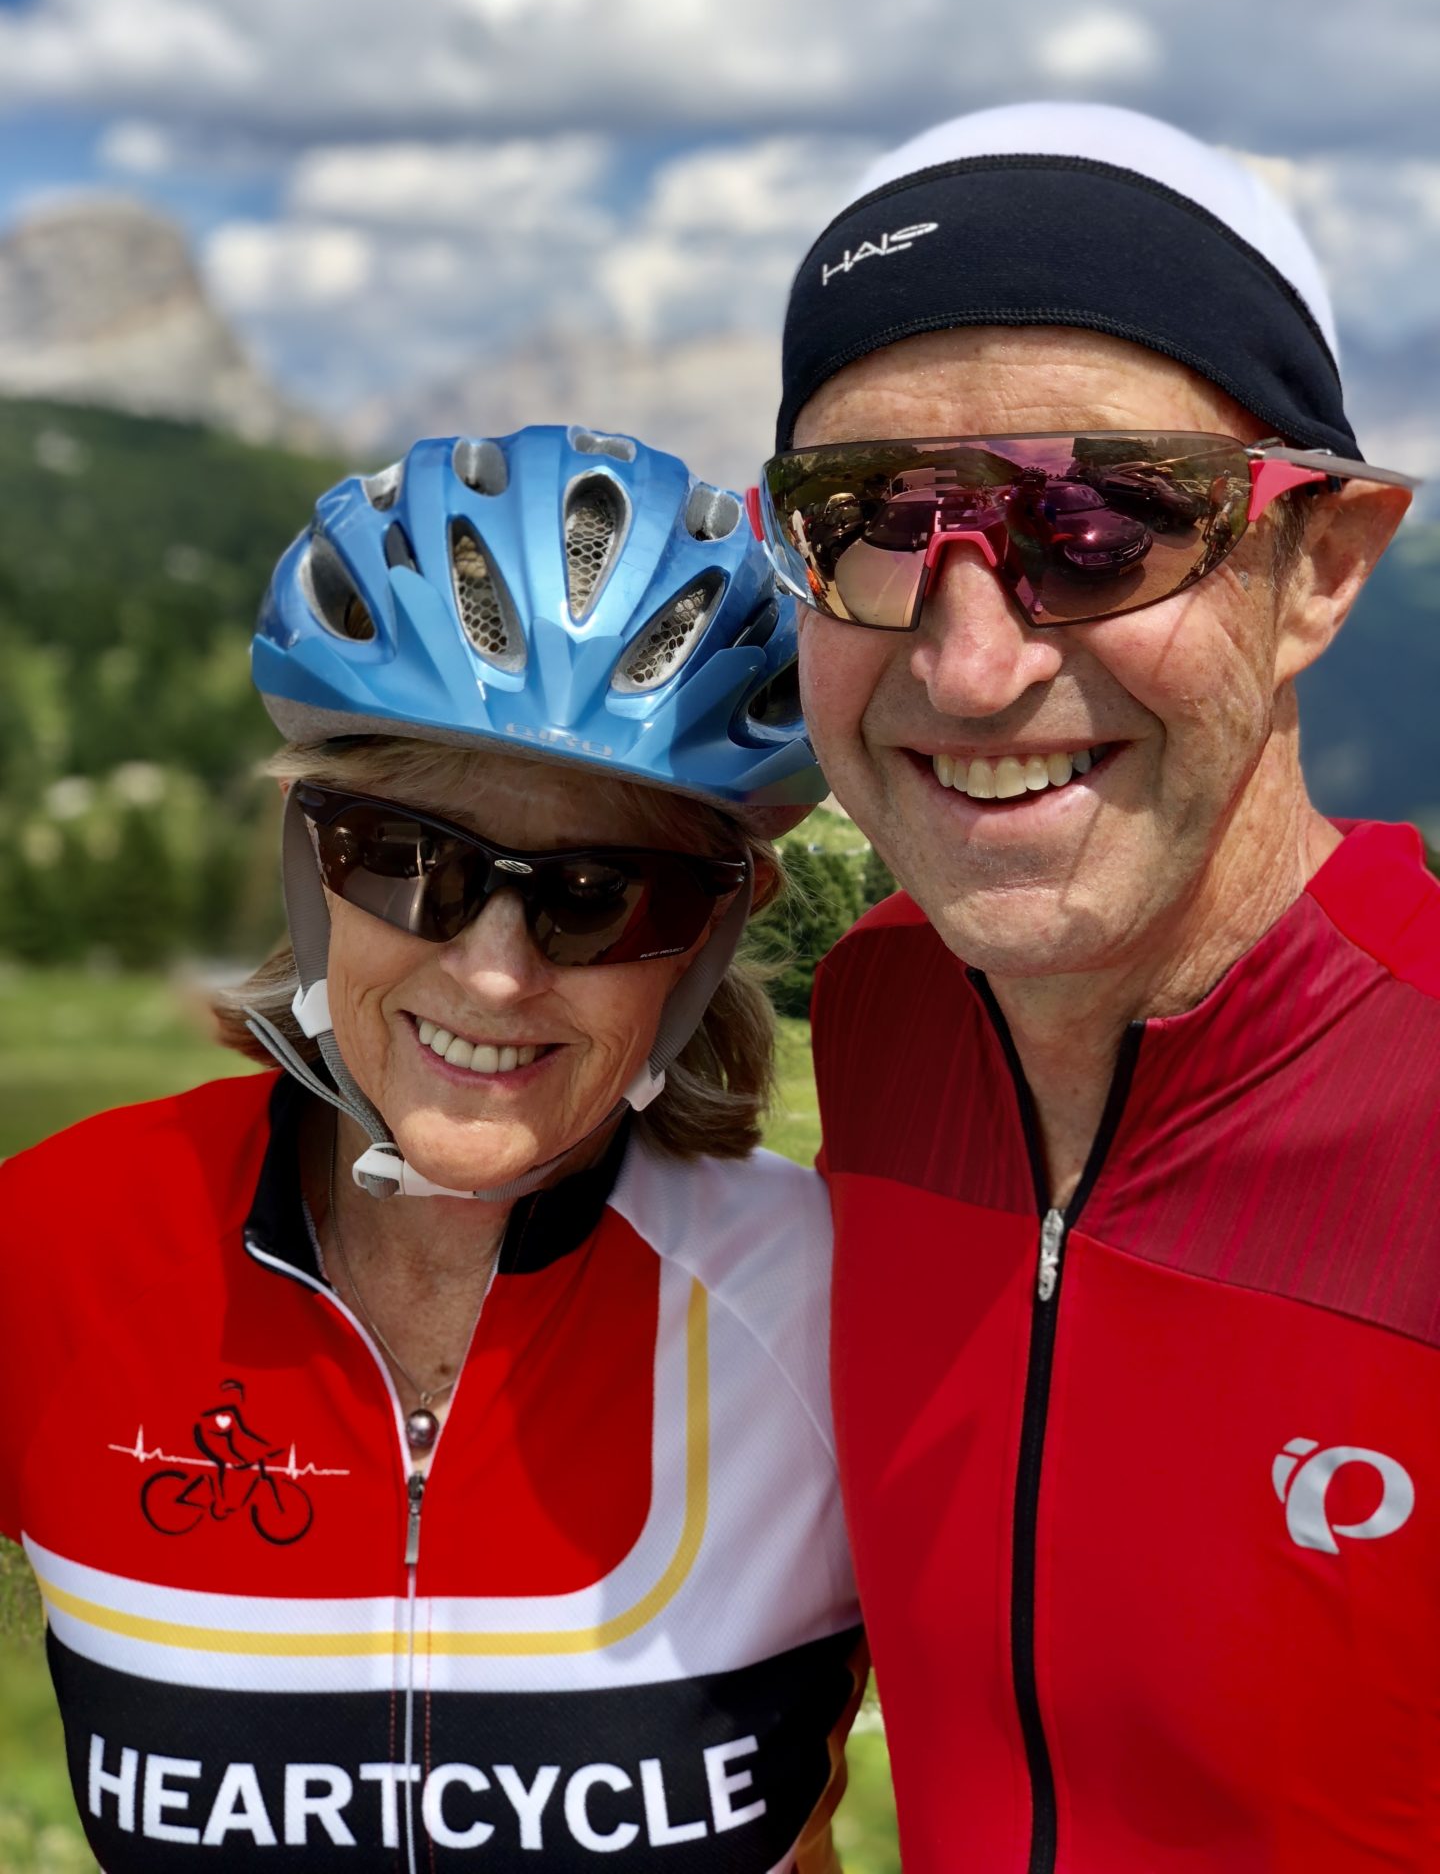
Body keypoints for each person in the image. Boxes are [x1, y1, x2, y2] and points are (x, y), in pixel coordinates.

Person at [0, 425, 864, 1872]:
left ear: (713, 930)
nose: (496, 974)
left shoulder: (830, 1303)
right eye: (414, 864)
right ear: (308, 855)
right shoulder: (63, 1241)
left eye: (600, 896)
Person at [751, 103, 1438, 1872]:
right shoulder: (884, 1011)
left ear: (1328, 566)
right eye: (873, 521)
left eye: (1104, 519)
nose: (970, 667)